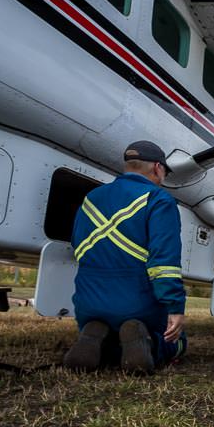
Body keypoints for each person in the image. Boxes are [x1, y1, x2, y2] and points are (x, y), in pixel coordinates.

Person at [63, 140, 187, 374]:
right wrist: (175, 306)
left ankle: (97, 333)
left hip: (89, 301)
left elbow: (77, 245)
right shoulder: (159, 200)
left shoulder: (91, 197)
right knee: (177, 342)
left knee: (108, 331)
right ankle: (146, 342)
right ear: (158, 168)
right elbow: (164, 262)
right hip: (138, 303)